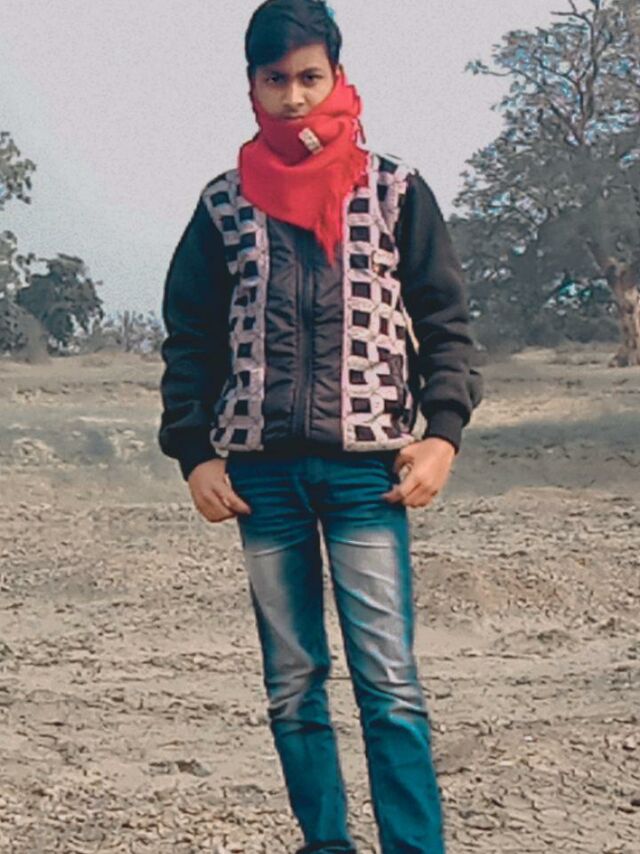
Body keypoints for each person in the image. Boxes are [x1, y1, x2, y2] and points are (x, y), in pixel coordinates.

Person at [158, 1, 483, 851]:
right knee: (293, 684)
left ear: (337, 76)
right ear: (252, 85)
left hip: (368, 472)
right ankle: (325, 843)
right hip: (259, 479)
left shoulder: (394, 189)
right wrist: (193, 453)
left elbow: (446, 324)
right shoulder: (224, 204)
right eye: (277, 79)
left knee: (390, 685)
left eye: (310, 77)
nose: (295, 97)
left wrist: (443, 432)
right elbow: (190, 337)